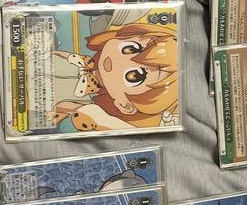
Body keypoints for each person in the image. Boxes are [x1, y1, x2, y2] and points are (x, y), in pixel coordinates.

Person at [50, 19, 179, 132]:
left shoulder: (84, 106)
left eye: (133, 76)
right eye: (130, 49)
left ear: (125, 105)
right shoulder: (81, 60)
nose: (119, 61)